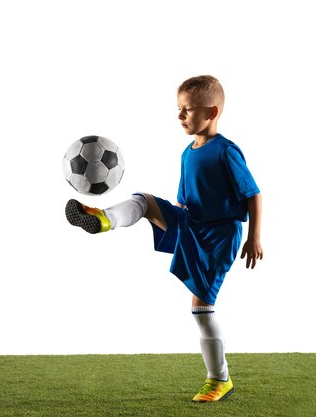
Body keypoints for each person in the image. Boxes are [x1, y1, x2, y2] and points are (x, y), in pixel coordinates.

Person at [65, 75, 263, 402]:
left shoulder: (227, 152)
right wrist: (173, 215)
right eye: (179, 109)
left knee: (201, 308)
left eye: (187, 110)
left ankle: (219, 379)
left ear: (211, 112)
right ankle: (103, 219)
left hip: (219, 236)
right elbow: (184, 197)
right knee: (144, 200)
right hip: (191, 223)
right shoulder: (188, 152)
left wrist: (254, 238)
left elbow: (254, 195)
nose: (180, 116)